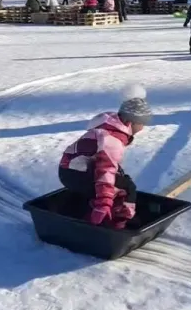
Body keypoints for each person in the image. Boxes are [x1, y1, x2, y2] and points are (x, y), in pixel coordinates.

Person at [58, 85, 152, 229]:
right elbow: (105, 172)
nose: (143, 127)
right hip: (74, 173)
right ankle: (112, 225)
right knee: (124, 190)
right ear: (131, 122)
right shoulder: (112, 139)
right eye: (142, 123)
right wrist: (103, 203)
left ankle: (96, 211)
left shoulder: (112, 126)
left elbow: (105, 162)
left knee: (123, 181)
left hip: (74, 168)